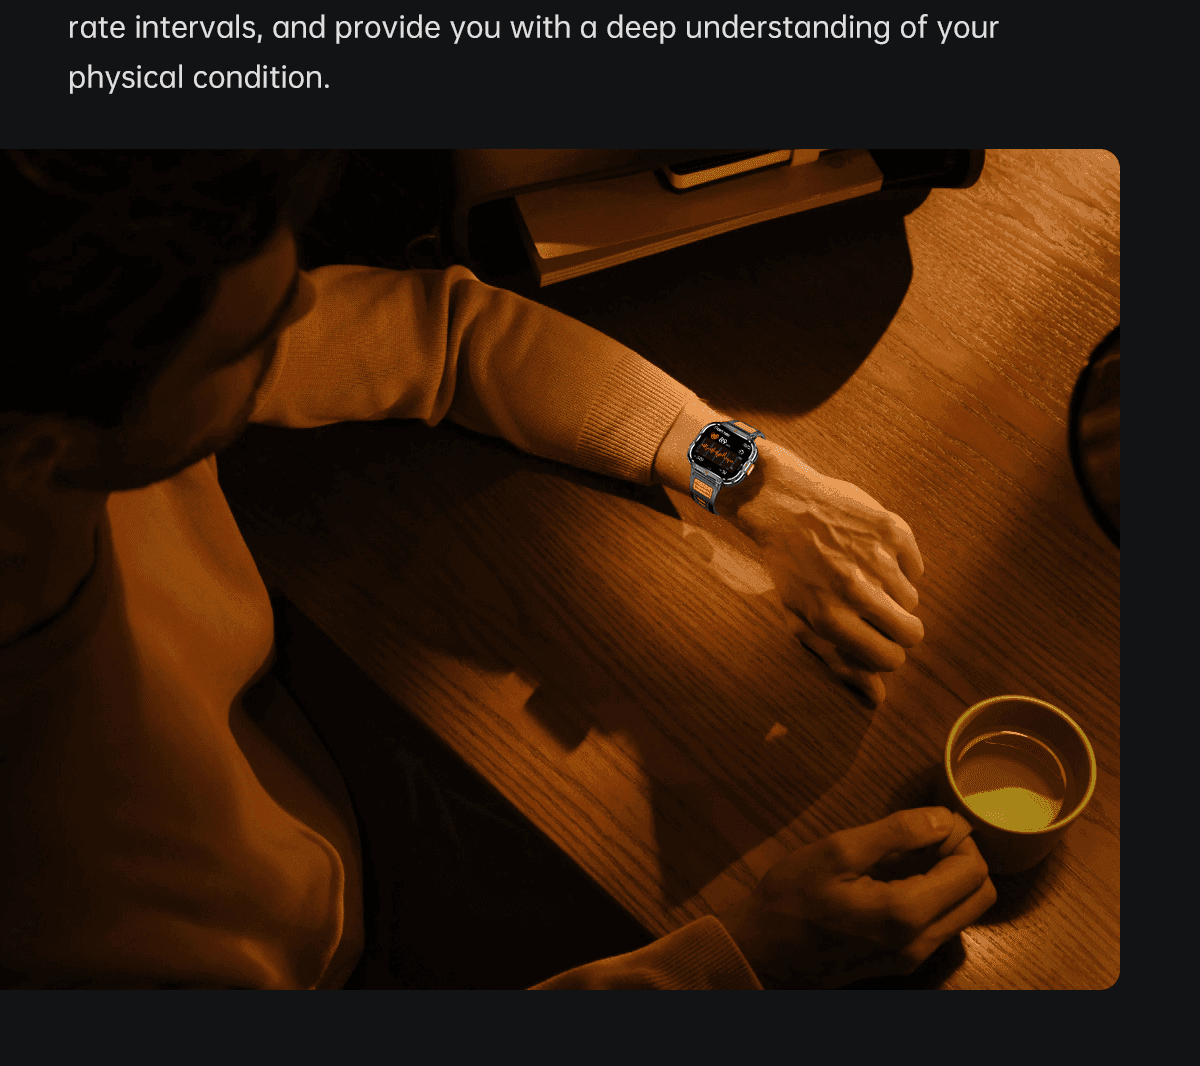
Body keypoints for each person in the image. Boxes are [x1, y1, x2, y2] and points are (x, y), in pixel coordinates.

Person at [0, 150, 995, 990]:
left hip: (315, 782)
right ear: (40, 452)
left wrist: (741, 472)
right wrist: (744, 964)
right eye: (252, 342)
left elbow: (445, 332)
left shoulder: (65, 386)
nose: (306, 305)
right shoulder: (67, 895)